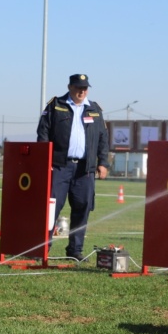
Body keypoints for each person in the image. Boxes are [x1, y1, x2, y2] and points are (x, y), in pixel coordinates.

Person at [37, 73, 109, 261]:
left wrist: (103, 162)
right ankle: (43, 249)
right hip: (59, 166)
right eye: (78, 87)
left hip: (85, 169)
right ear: (70, 87)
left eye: (85, 88)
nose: (81, 91)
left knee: (82, 207)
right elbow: (43, 133)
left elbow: (102, 138)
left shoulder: (94, 109)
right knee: (52, 208)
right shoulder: (56, 105)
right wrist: (44, 161)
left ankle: (75, 250)